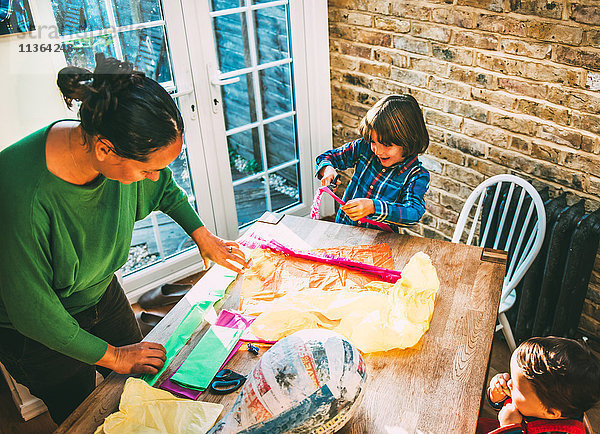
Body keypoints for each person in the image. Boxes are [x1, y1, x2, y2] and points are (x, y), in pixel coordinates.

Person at [0, 53, 248, 425]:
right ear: (104, 149)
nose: (154, 177)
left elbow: (165, 190)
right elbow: (36, 316)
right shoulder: (20, 195)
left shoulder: (115, 149)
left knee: (144, 381)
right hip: (37, 332)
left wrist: (203, 236)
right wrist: (114, 356)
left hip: (101, 293)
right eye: (148, 169)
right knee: (86, 416)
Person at [315, 94, 430, 232]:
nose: (378, 151)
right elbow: (327, 157)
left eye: (387, 145)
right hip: (343, 229)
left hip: (378, 244)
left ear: (409, 141)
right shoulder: (363, 148)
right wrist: (328, 169)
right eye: (373, 142)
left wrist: (373, 207)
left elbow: (413, 213)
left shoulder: (417, 175)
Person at [477, 336, 600, 434]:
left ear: (551, 413)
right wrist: (497, 397)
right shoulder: (543, 402)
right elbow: (514, 403)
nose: (509, 383)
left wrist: (509, 428)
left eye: (517, 386)